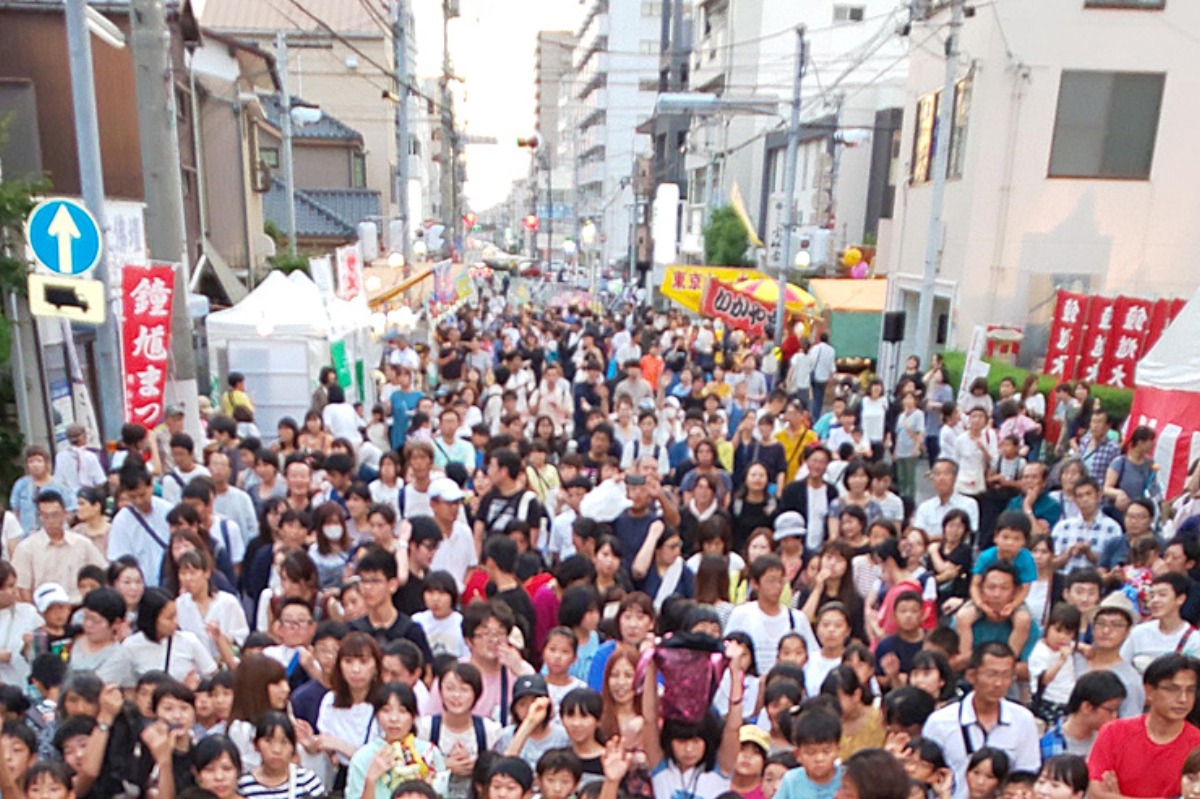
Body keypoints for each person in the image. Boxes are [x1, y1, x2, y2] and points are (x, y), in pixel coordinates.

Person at [921, 642, 1040, 799]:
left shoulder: (1023, 720)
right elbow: (925, 775)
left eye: (1006, 675)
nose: (998, 683)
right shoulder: (940, 722)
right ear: (971, 676)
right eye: (991, 674)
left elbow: (1026, 776)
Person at [1088, 653, 1200, 799]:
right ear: (1149, 691)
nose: (1183, 699)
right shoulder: (1114, 732)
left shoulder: (1197, 745)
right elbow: (1096, 793)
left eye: (1190, 690)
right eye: (1172, 689)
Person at [346, 682, 444, 799]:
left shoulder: (429, 753)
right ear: (377, 715)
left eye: (402, 711)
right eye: (386, 710)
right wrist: (370, 781)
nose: (394, 718)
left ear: (413, 716)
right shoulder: (363, 757)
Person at [727, 555, 819, 675]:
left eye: (781, 581)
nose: (777, 586)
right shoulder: (741, 614)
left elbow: (813, 655)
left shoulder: (797, 618)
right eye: (771, 581)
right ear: (755, 583)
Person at [11, 490, 106, 604]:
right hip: (44, 609)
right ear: (39, 516)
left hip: (78, 606)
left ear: (65, 514)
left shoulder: (82, 544)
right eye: (45, 516)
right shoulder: (26, 548)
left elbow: (103, 571)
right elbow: (22, 589)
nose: (50, 520)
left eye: (55, 515)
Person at [1120, 572, 1200, 673]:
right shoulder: (1138, 632)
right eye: (1152, 595)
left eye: (1162, 595)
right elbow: (1121, 666)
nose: (1155, 600)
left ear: (1180, 599)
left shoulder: (1194, 640)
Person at [1038, 671, 1127, 760]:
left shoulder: (1112, 743)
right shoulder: (1049, 744)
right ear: (1087, 707)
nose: (1114, 716)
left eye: (1117, 710)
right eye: (1111, 710)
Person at [912, 460, 981, 540]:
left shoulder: (969, 504)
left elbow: (969, 534)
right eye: (937, 474)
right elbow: (918, 536)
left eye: (946, 473)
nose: (941, 478)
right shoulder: (924, 507)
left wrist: (932, 538)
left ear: (955, 478)